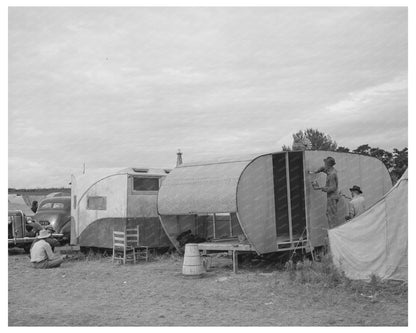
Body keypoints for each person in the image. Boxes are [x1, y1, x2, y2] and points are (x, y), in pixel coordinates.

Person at [310, 156, 339, 228]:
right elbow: (323, 168)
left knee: (331, 216)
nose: (324, 165)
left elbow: (333, 188)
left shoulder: (332, 174)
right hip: (332, 197)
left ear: (328, 165)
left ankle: (333, 233)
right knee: (328, 213)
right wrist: (315, 172)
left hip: (332, 197)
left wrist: (320, 188)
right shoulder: (330, 170)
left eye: (325, 163)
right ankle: (332, 231)